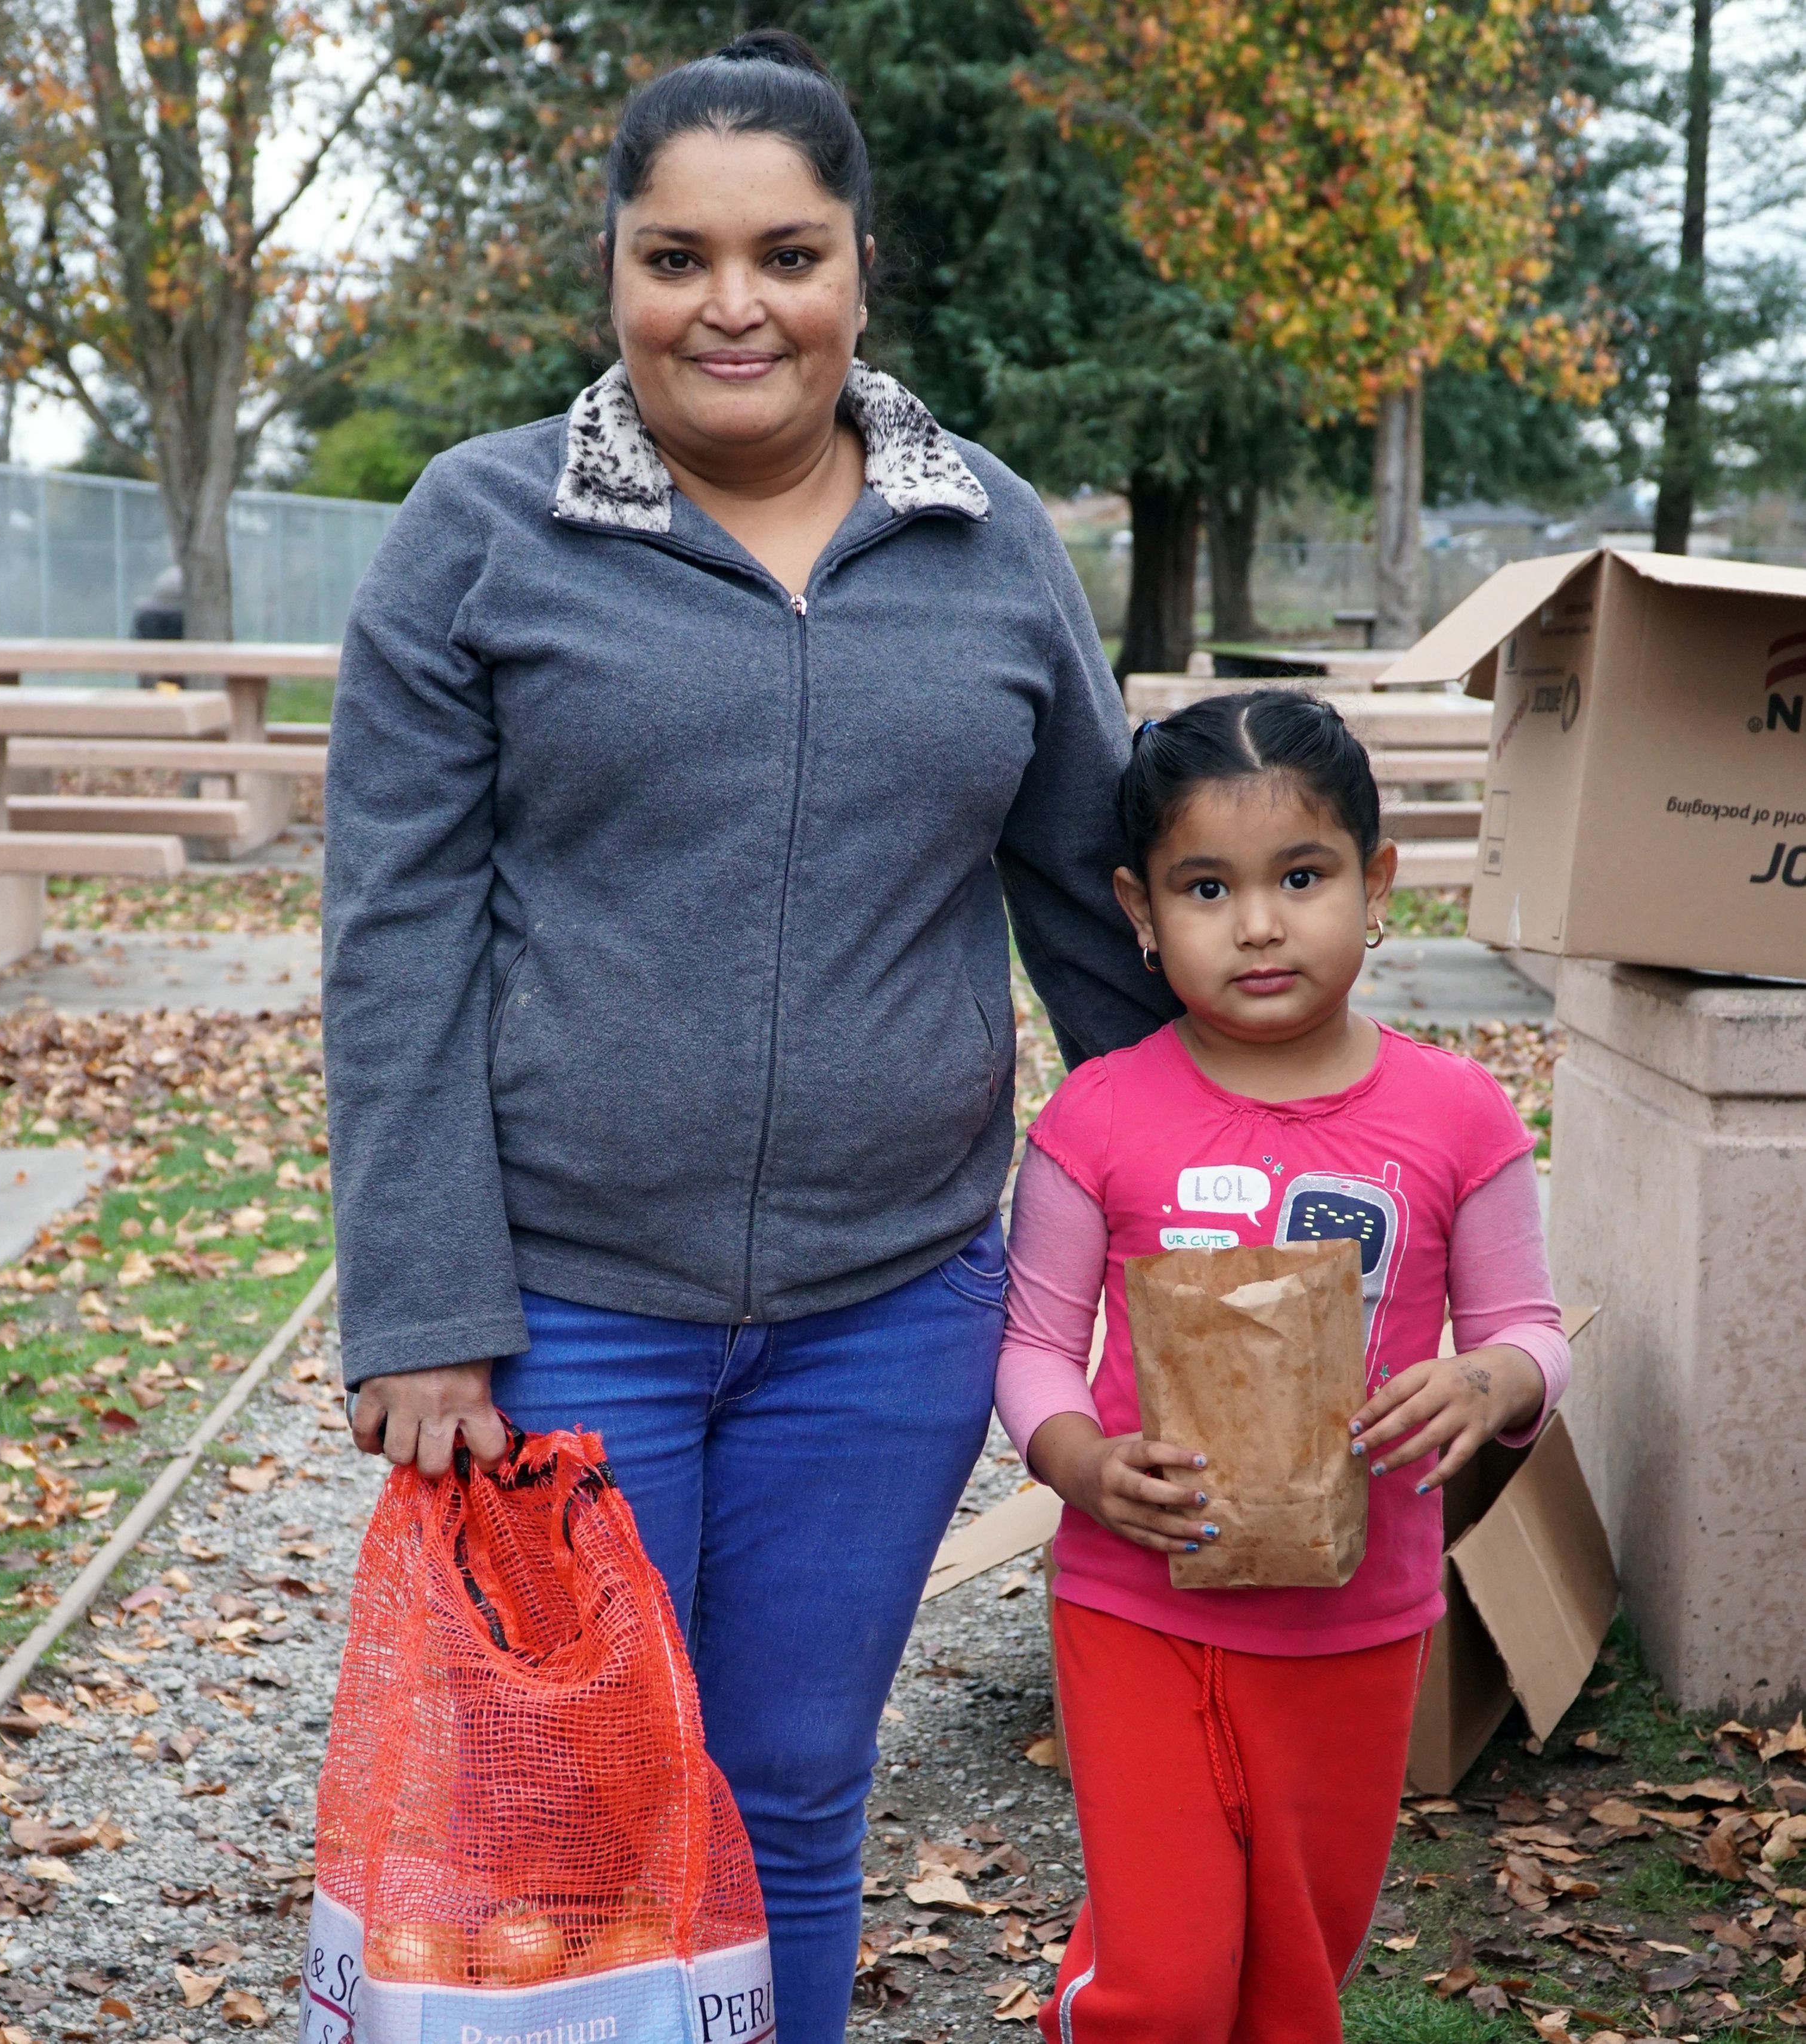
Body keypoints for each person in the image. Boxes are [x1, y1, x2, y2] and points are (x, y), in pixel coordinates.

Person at [319, 30, 1180, 2043]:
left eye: (785, 253)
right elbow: (397, 938)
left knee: (790, 1791)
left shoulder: (990, 541)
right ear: (611, 272)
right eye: (673, 255)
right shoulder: (480, 531)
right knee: (568, 1814)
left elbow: (1099, 920)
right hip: (566, 1312)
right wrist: (423, 1301)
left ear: (860, 268)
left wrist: (1214, 1238)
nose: (732, 306)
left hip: (887, 1320)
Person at [994, 690, 1571, 2044]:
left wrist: (1488, 1385)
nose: (1256, 923)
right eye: (1206, 886)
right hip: (1136, 1604)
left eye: (1299, 876)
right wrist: (1077, 1459)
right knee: (1164, 1979)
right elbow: (1030, 1349)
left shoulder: (1457, 1113)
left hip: (1359, 1624)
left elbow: (1531, 1330)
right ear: (1138, 909)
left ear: (1374, 883)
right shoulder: (1098, 1115)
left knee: (1290, 1977)